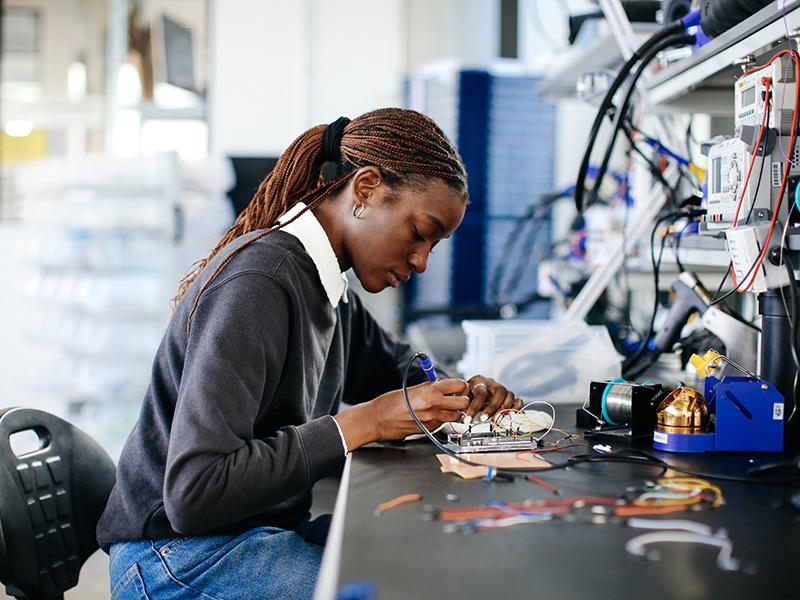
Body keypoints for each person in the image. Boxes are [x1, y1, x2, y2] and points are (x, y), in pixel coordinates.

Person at [97, 108, 522, 600]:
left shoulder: (328, 288)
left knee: (433, 565)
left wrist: (463, 396)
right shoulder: (261, 283)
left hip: (252, 534)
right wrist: (366, 423)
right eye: (419, 233)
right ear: (365, 189)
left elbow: (401, 375)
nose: (422, 262)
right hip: (178, 555)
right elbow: (196, 491)